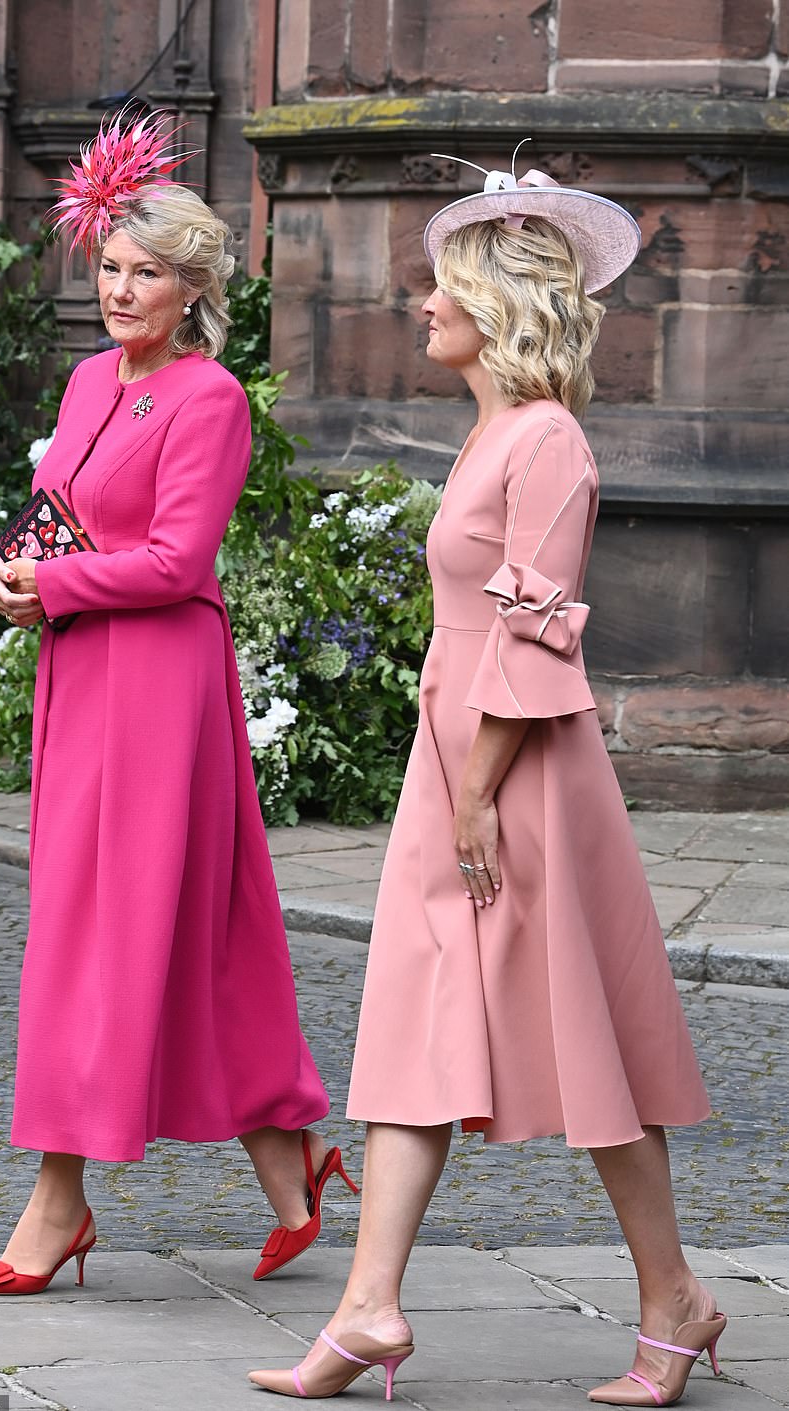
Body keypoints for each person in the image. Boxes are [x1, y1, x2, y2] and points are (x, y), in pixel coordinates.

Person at [249, 156, 725, 1405]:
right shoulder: (496, 431)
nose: (419, 301)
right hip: (453, 762)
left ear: (498, 306)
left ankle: (671, 1295)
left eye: (441, 283)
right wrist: (447, 770)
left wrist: (474, 790)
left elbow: (534, 631)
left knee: (586, 1042)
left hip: (514, 775)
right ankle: (367, 1307)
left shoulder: (550, 441)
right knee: (414, 1020)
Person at [0, 112, 356, 1297]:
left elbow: (181, 559)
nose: (122, 290)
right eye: (110, 269)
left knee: (101, 937)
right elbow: (60, 517)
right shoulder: (87, 381)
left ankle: (56, 1205)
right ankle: (289, 1164)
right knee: (184, 937)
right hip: (83, 675)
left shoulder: (207, 399)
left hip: (160, 689)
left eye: (148, 274)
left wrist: (55, 583)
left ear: (191, 288)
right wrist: (6, 568)